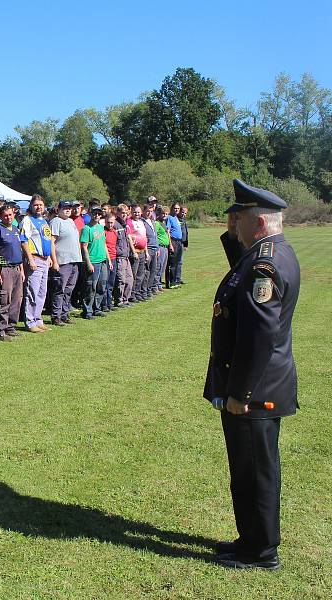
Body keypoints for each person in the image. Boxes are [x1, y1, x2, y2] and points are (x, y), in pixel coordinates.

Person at [206, 179, 300, 570]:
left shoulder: (266, 263)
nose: (234, 221)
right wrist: (232, 236)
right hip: (261, 385)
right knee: (246, 471)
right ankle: (251, 539)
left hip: (256, 389)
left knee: (256, 473)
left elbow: (258, 338)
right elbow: (238, 279)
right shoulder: (269, 252)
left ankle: (262, 551)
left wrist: (239, 393)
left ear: (257, 220)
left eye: (239, 216)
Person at [20, 194, 57, 332]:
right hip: (34, 260)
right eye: (36, 205)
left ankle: (38, 319)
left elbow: (48, 241)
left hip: (44, 260)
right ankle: (30, 322)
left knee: (42, 292)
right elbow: (24, 241)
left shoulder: (44, 221)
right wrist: (30, 259)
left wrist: (50, 258)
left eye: (40, 204)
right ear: (31, 206)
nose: (38, 207)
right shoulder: (27, 220)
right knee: (32, 291)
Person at [0, 205, 25, 340]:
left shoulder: (16, 230)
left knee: (16, 300)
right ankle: (0, 330)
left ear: (14, 214)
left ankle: (11, 327)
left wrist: (21, 270)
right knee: (4, 300)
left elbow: (19, 250)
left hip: (16, 269)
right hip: (4, 269)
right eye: (5, 215)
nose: (8, 217)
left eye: (10, 214)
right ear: (0, 216)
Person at [49, 201, 81, 325]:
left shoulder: (70, 221)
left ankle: (65, 314)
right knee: (59, 289)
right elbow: (52, 242)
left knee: (69, 289)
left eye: (69, 208)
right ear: (59, 209)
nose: (68, 210)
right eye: (65, 208)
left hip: (74, 260)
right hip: (63, 261)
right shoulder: (56, 222)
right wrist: (54, 261)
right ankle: (56, 315)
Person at [80, 206, 109, 319]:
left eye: (98, 214)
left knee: (101, 286)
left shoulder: (101, 228)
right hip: (93, 262)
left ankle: (97, 308)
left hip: (102, 261)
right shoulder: (87, 229)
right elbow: (84, 247)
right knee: (90, 287)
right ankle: (87, 311)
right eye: (94, 213)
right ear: (90, 214)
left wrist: (109, 260)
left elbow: (104, 244)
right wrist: (88, 263)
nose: (96, 215)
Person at [113, 204, 134, 307]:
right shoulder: (115, 224)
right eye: (122, 213)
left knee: (130, 279)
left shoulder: (124, 224)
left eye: (126, 213)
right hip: (119, 256)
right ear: (117, 213)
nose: (124, 215)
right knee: (121, 280)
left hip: (126, 256)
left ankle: (126, 299)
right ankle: (119, 300)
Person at [127, 204, 148, 302]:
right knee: (134, 274)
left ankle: (138, 292)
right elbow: (129, 237)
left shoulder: (141, 222)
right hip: (135, 252)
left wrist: (146, 252)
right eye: (135, 212)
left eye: (138, 212)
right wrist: (133, 251)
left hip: (143, 251)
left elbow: (144, 237)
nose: (137, 214)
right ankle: (132, 295)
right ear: (131, 212)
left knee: (141, 274)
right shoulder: (129, 222)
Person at [166, 202, 184, 289]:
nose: (176, 210)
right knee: (172, 263)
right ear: (172, 208)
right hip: (173, 241)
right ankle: (171, 282)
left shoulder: (177, 217)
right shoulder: (169, 217)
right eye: (175, 208)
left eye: (178, 208)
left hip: (179, 241)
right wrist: (170, 244)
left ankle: (176, 280)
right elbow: (168, 231)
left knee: (177, 262)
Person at [177, 205, 189, 285]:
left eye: (185, 213)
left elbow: (186, 233)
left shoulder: (184, 220)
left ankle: (178, 278)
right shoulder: (176, 219)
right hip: (176, 243)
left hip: (182, 243)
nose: (183, 214)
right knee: (176, 262)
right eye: (182, 212)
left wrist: (186, 244)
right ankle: (175, 278)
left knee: (180, 262)